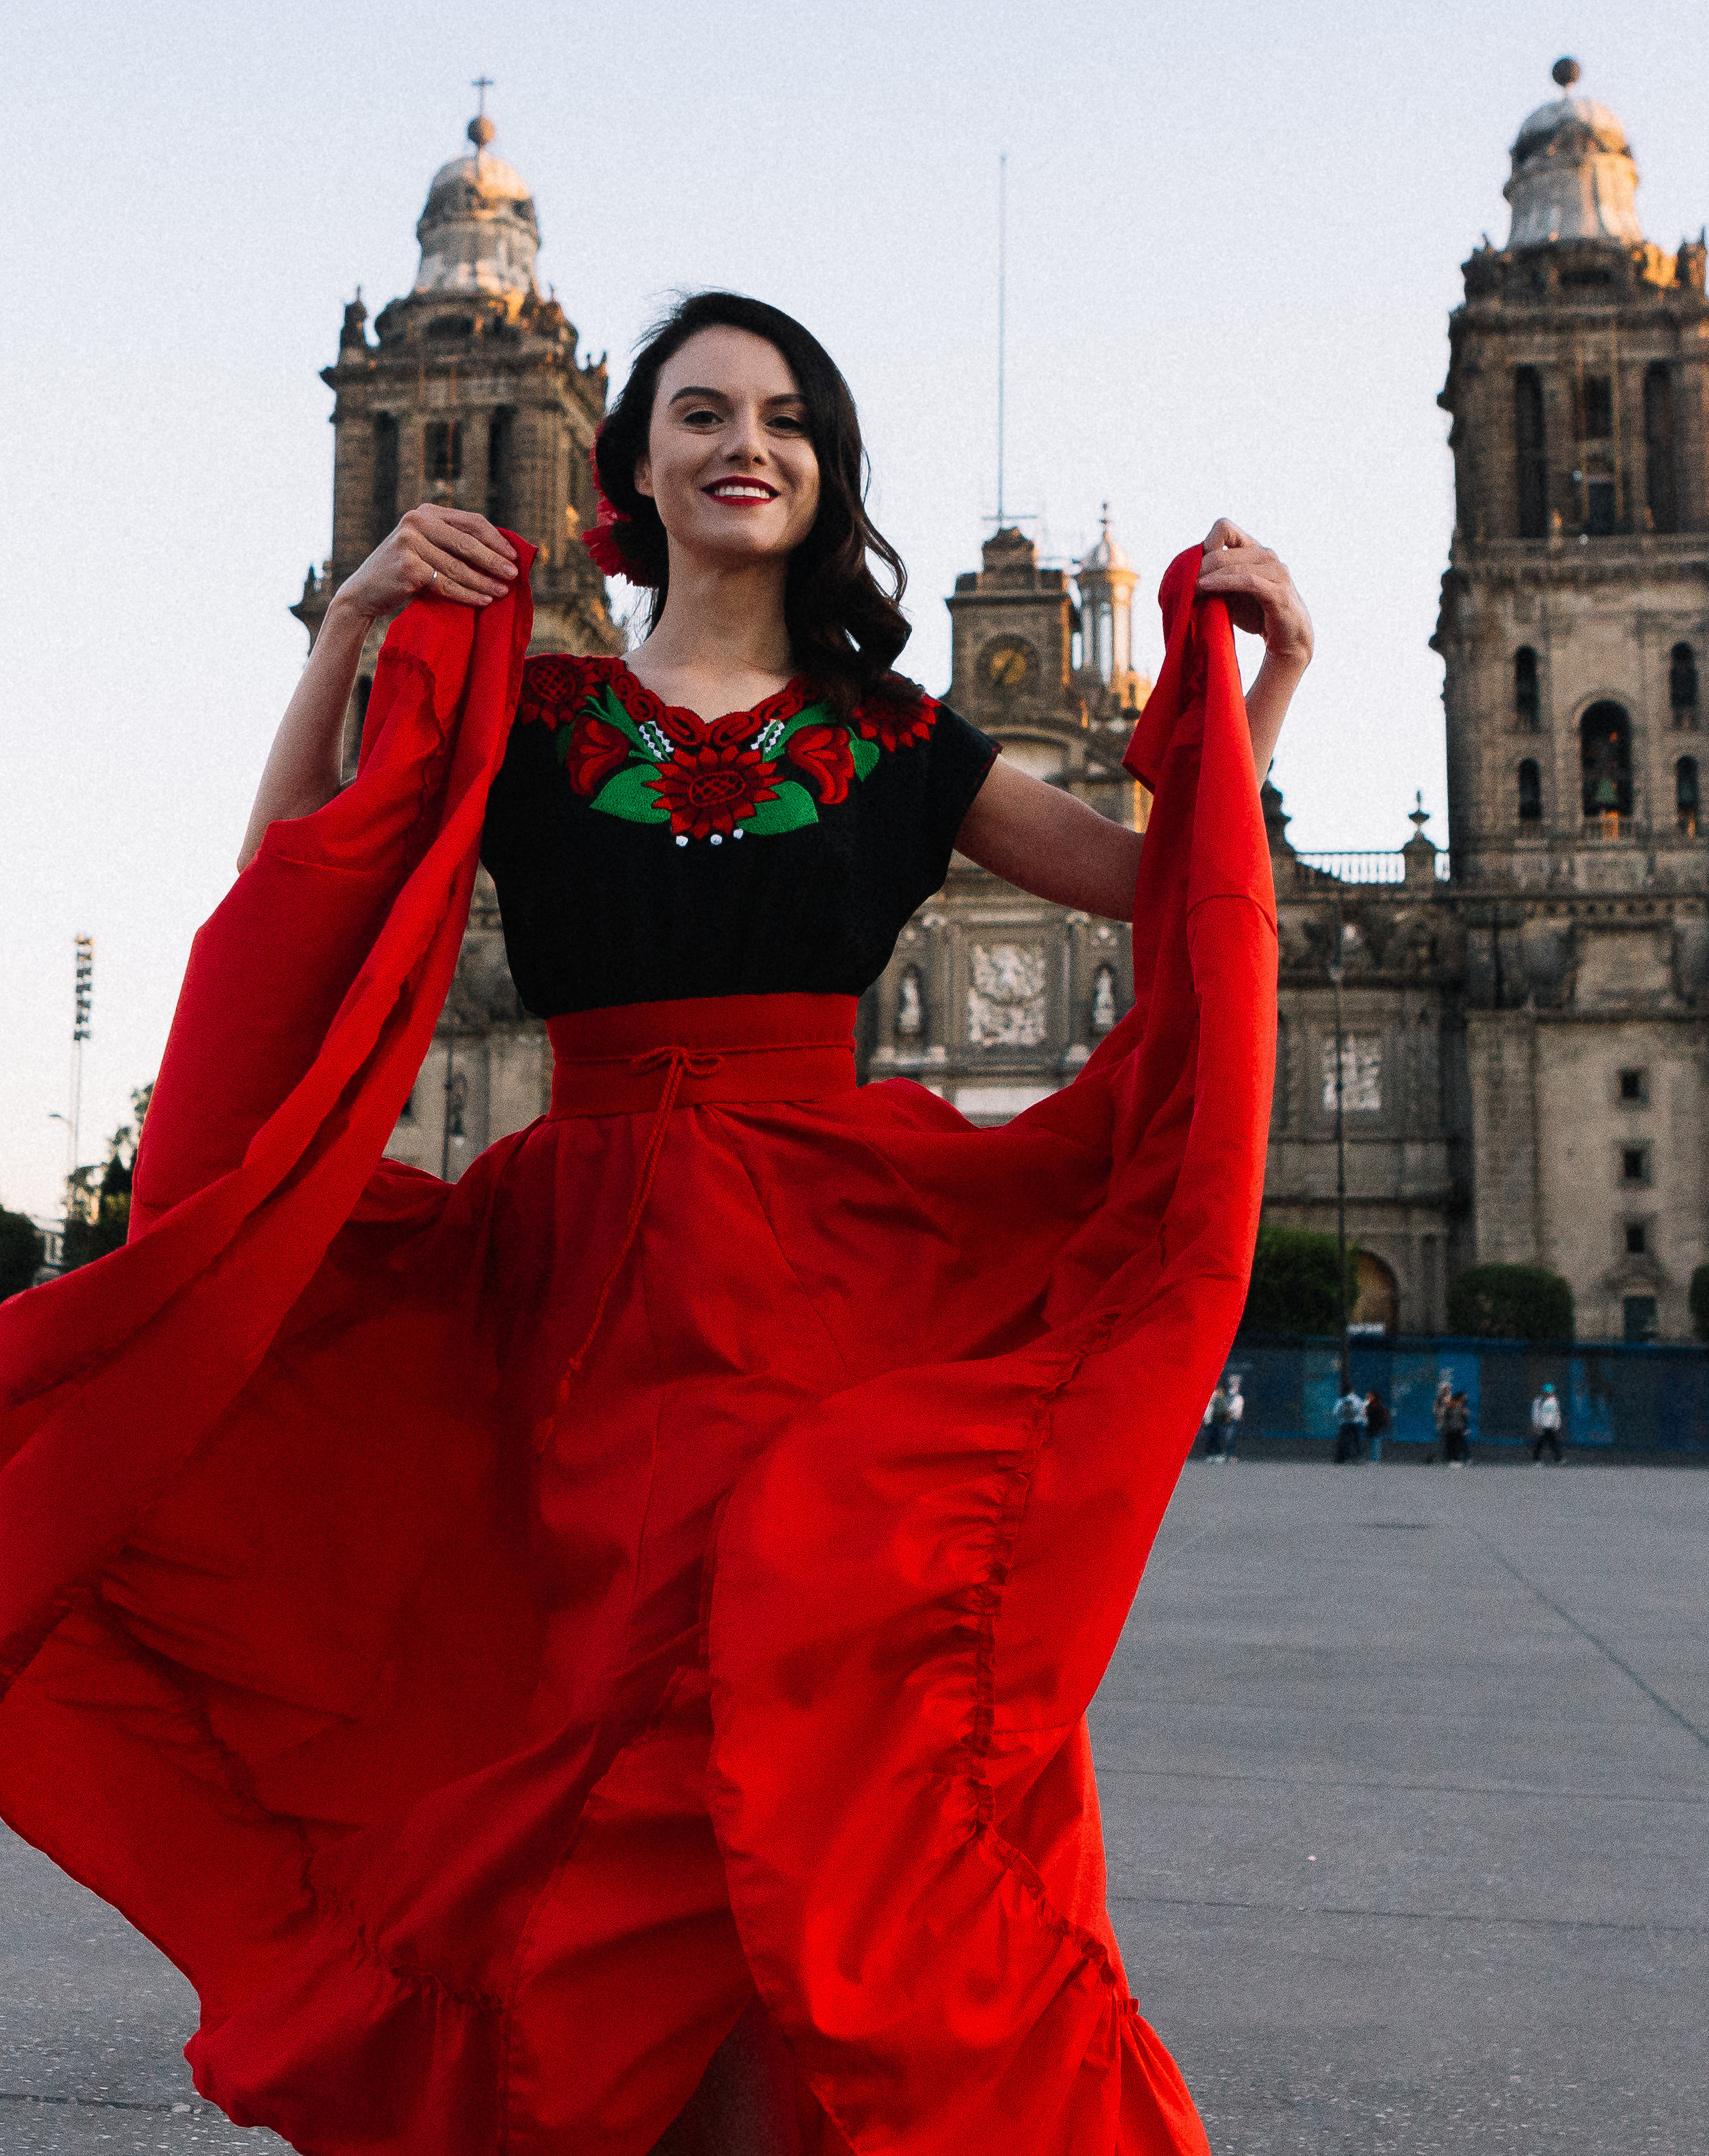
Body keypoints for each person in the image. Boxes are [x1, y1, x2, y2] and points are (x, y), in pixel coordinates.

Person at [0, 293, 1311, 2156]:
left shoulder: (891, 735)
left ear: (823, 472)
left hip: (826, 1280)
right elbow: (296, 869)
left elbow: (1162, 882)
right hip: (581, 1290)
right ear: (631, 465)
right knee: (606, 1756)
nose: (742, 444)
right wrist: (353, 625)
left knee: (775, 1736)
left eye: (782, 417)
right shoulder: (536, 721)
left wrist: (1263, 689)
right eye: (700, 412)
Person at [1333, 1379, 1367, 1462]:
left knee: (1345, 1440)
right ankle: (1358, 1457)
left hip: (1345, 1423)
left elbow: (1335, 1412)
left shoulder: (1342, 1400)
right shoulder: (1357, 1399)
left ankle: (1346, 1457)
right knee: (1357, 1440)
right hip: (1356, 1422)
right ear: (1353, 1390)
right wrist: (1363, 1421)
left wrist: (1341, 1419)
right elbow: (1362, 1411)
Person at [1531, 1380, 1563, 1464]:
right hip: (1542, 1426)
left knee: (1553, 1442)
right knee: (1541, 1443)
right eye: (1548, 1392)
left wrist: (1557, 1424)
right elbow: (1535, 1413)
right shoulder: (1538, 1401)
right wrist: (1536, 1424)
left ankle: (1558, 1458)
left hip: (1551, 1425)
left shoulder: (1554, 1401)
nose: (1549, 1394)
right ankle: (1537, 1459)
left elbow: (1557, 1413)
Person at [1443, 1387, 1471, 1464]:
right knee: (1451, 1444)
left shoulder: (1463, 1408)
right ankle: (1450, 1459)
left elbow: (1464, 1419)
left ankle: (1456, 1459)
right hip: (1451, 1428)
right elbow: (1447, 1418)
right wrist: (1446, 1427)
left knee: (1458, 1444)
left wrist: (1465, 1428)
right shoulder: (1451, 1406)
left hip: (1459, 1428)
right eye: (1464, 1398)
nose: (1465, 1400)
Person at [1363, 1386, 1390, 1463]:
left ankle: (1375, 1458)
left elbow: (1370, 1414)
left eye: (1370, 1396)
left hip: (1375, 1425)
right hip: (1373, 1425)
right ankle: (1374, 1457)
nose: (1369, 1398)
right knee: (1374, 1441)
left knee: (1376, 1441)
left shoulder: (1376, 1405)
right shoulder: (1373, 1405)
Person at [1433, 1373, 1453, 1461]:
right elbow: (1435, 1410)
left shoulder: (1450, 1398)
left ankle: (1448, 1457)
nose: (1447, 1390)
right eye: (1446, 1389)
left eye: (1448, 1389)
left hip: (1450, 1423)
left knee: (1449, 1441)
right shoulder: (1438, 1399)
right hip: (1441, 1423)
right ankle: (1439, 1457)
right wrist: (1443, 1410)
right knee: (1441, 1440)